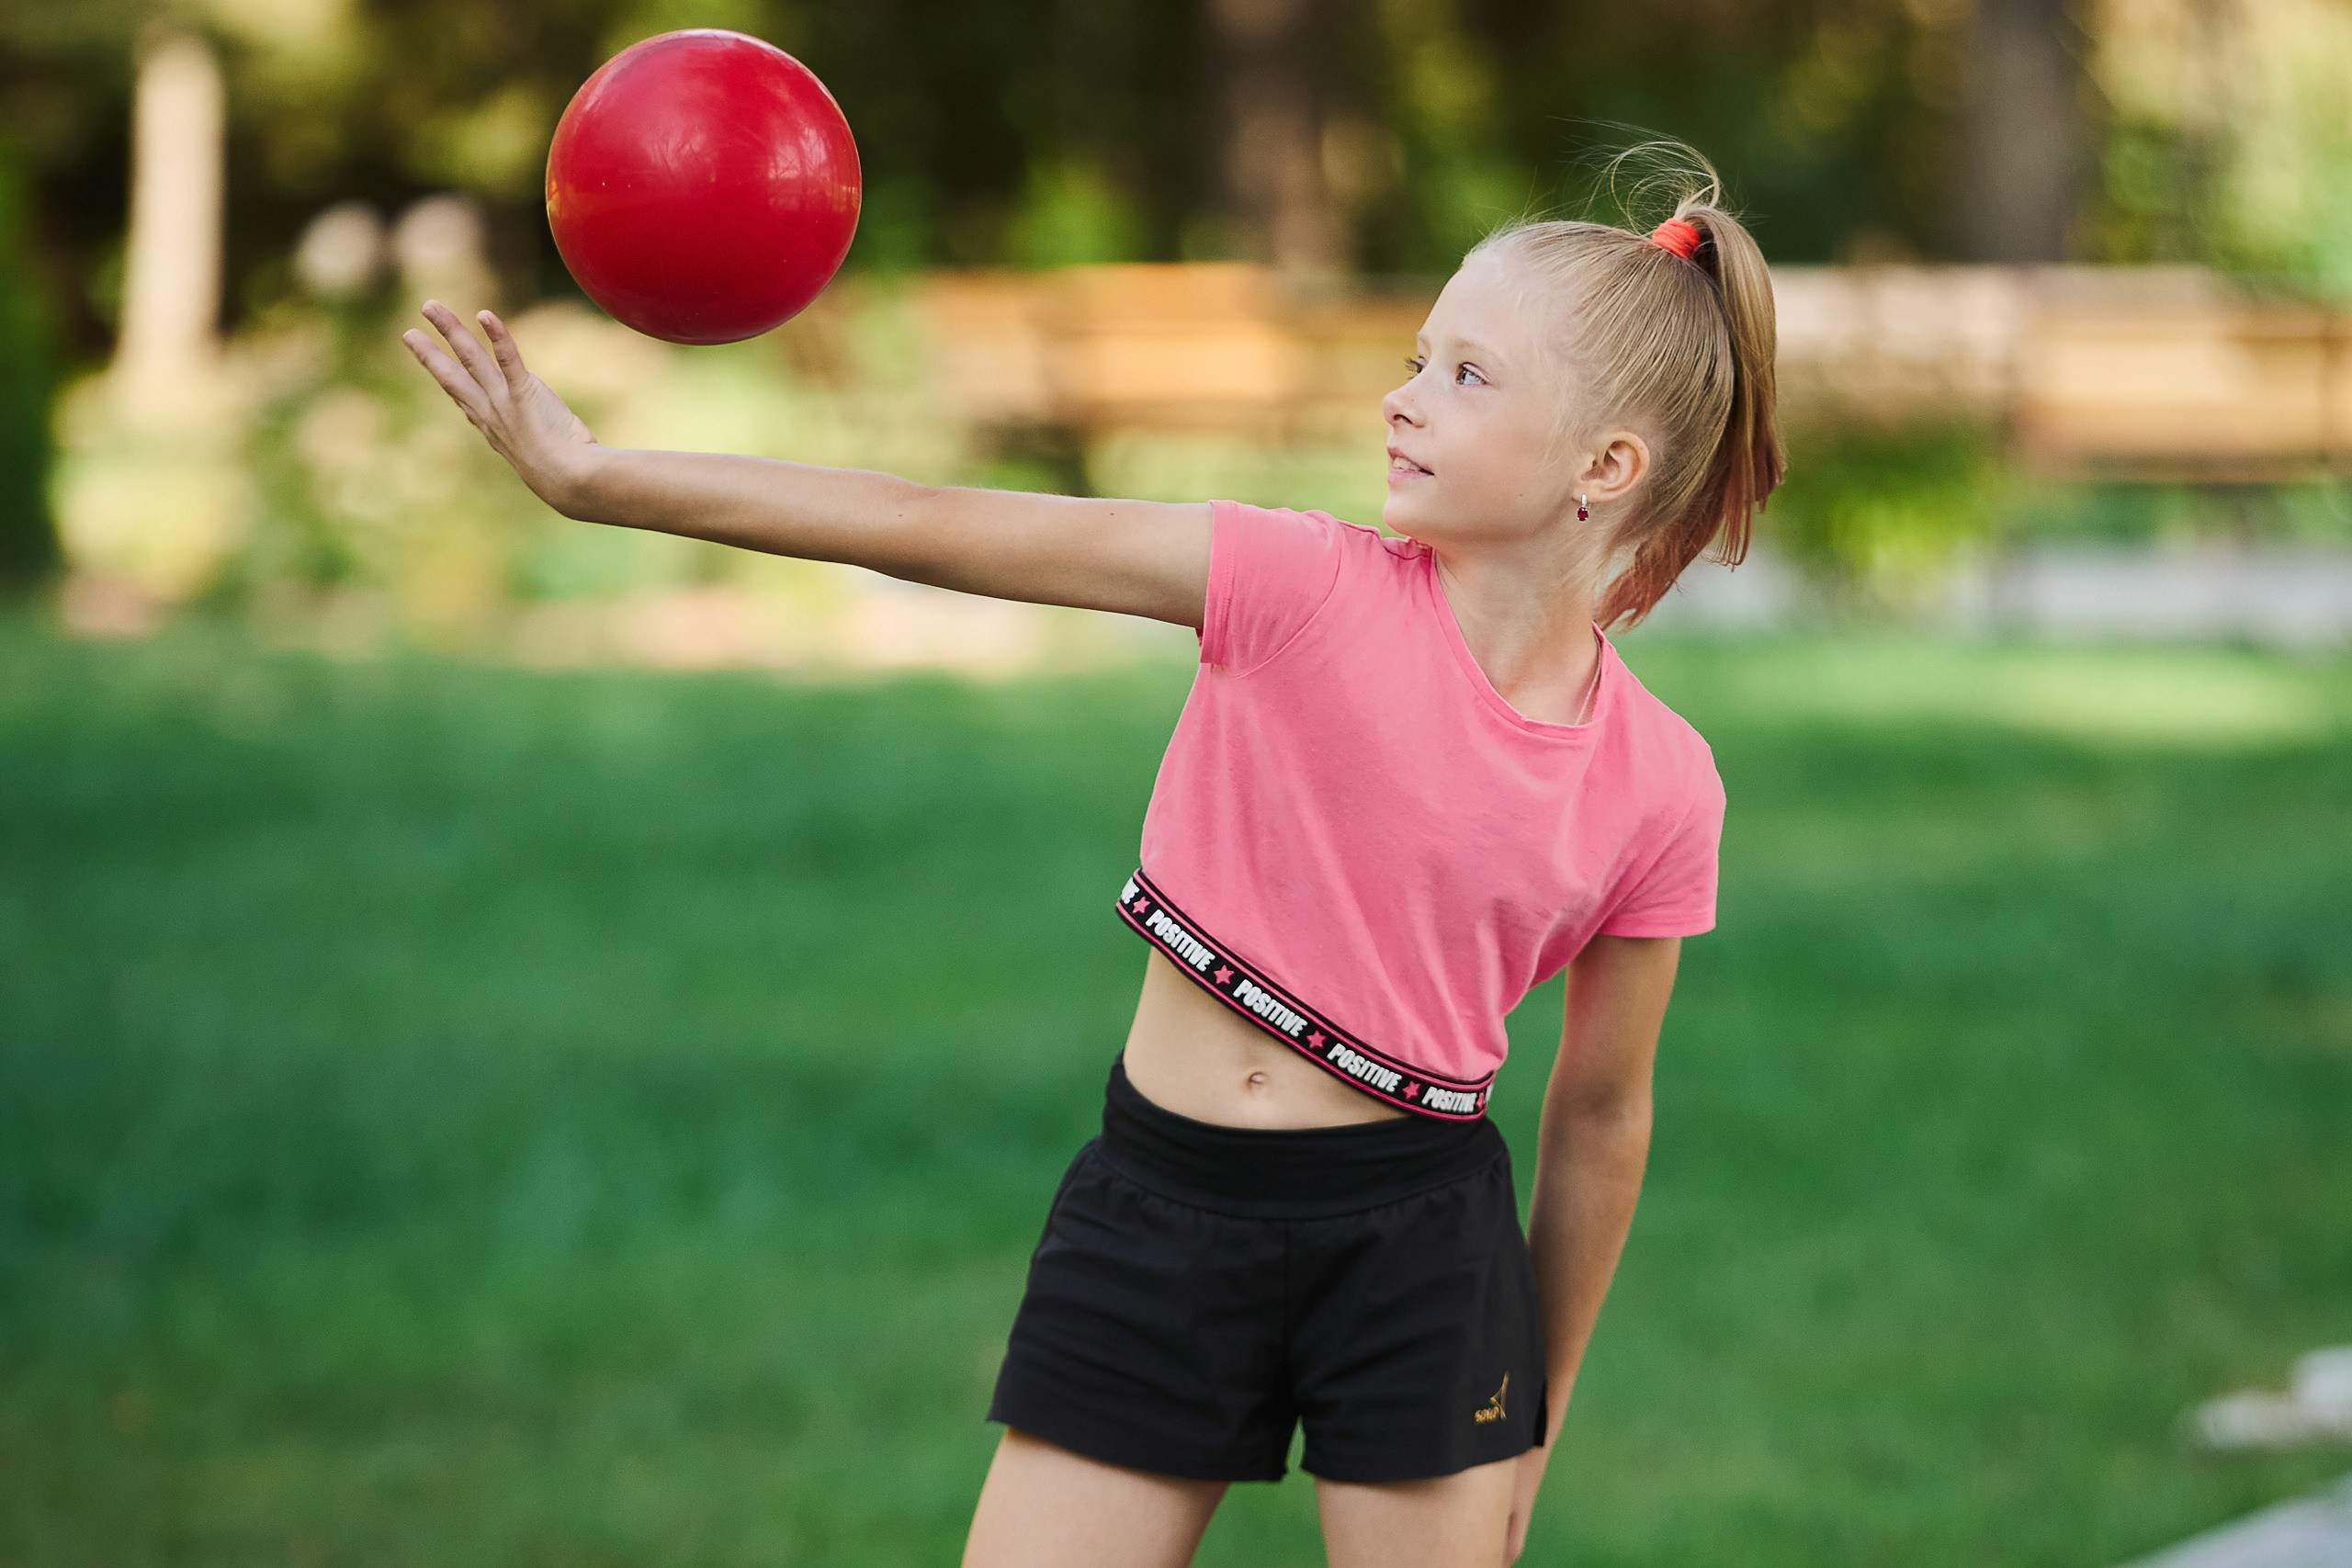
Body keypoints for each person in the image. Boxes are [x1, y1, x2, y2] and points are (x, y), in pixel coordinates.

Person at [401, 152, 1781, 1568]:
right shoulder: (1294, 584)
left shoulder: (1660, 784)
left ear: (1605, 469)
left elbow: (1603, 1122)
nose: (1403, 395)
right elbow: (935, 522)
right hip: (1162, 1213)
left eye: (1468, 378)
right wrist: (598, 477)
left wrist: (1529, 1419)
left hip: (1421, 1257)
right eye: (1418, 355)